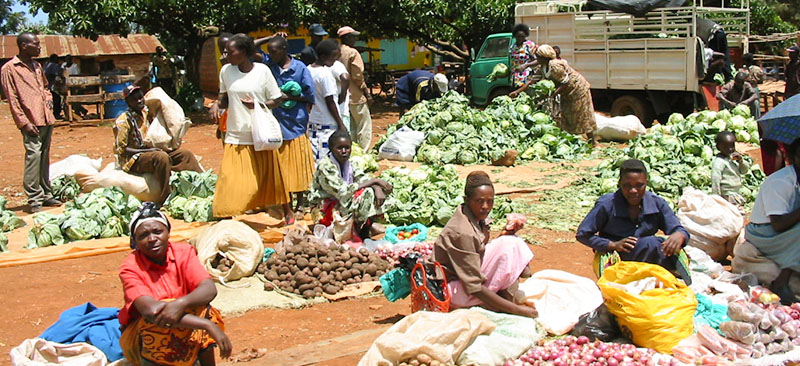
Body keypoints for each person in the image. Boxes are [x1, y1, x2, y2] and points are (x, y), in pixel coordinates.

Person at [118, 202, 232, 366]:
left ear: (168, 232)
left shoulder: (183, 252)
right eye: (143, 235)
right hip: (145, 333)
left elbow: (208, 289)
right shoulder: (130, 266)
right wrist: (207, 325)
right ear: (135, 241)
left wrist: (181, 303)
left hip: (182, 321)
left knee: (205, 310)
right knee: (161, 320)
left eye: (158, 232)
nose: (152, 239)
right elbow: (151, 311)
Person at [432, 171, 537, 317]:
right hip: (452, 291)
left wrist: (506, 233)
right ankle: (502, 303)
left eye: (490, 201)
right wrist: (517, 310)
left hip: (464, 280)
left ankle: (503, 298)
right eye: (480, 201)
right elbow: (474, 287)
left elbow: (478, 251)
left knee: (511, 241)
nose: (485, 207)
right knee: (508, 247)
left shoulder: (472, 216)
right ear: (467, 200)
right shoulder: (462, 232)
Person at [212, 34, 290, 218]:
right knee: (229, 178)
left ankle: (287, 210)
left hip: (259, 133)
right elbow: (224, 99)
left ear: (244, 52)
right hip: (235, 133)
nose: (226, 55)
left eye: (230, 52)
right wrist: (216, 105)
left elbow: (277, 99)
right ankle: (227, 215)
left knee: (272, 177)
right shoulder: (226, 71)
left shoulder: (262, 71)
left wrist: (258, 104)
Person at [576, 159, 691, 282]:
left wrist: (679, 235)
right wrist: (613, 245)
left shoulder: (657, 203)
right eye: (627, 185)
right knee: (652, 243)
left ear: (646, 183)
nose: (633, 191)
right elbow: (583, 234)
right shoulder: (607, 204)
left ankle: (667, 278)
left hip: (648, 256)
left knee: (667, 247)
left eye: (639, 185)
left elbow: (678, 229)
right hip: (617, 257)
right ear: (620, 183)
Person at [0, 32, 61, 213]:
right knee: (33, 157)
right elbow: (12, 99)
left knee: (43, 156)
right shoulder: (9, 69)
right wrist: (23, 122)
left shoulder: (36, 65)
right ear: (24, 46)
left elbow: (45, 87)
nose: (39, 46)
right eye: (35, 44)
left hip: (45, 117)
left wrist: (48, 100)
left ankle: (46, 194)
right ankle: (34, 198)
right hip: (30, 120)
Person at [113, 85, 203, 206]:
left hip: (152, 151)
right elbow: (122, 150)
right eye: (134, 99)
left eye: (140, 98)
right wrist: (148, 151)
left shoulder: (146, 113)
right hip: (134, 158)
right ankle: (166, 196)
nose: (139, 101)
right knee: (162, 157)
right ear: (128, 102)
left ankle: (201, 184)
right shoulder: (123, 121)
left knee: (185, 155)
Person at [264, 36, 316, 224]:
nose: (271, 54)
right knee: (282, 167)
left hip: (295, 123)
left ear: (285, 49)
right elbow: (249, 46)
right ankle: (286, 203)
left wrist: (287, 96)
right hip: (276, 125)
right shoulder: (268, 67)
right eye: (269, 51)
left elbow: (310, 95)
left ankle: (301, 203)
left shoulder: (300, 68)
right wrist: (270, 37)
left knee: (298, 165)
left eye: (275, 50)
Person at [308, 130, 392, 240]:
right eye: (339, 148)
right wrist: (374, 182)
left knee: (376, 192)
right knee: (366, 195)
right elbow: (342, 192)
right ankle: (358, 231)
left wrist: (376, 186)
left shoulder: (351, 163)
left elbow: (362, 178)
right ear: (331, 149)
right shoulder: (326, 166)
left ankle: (363, 229)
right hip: (325, 206)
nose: (344, 151)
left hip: (343, 201)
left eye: (347, 148)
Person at [745, 138, 800, 304]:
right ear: (794, 158)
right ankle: (782, 282)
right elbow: (777, 224)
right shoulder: (780, 182)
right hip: (764, 232)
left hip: (786, 227)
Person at [510, 44, 597, 145]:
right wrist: (517, 92)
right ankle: (570, 140)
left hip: (578, 89)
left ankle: (592, 141)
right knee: (567, 115)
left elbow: (565, 82)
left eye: (538, 56)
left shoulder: (555, 65)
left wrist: (552, 94)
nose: (536, 58)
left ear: (544, 57)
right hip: (567, 92)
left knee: (583, 115)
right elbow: (532, 81)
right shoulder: (542, 67)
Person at [308, 39, 347, 161]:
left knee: (315, 156)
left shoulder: (308, 70)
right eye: (333, 57)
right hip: (326, 123)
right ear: (323, 56)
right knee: (325, 159)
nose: (335, 60)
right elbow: (330, 101)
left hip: (313, 121)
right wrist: (340, 124)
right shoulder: (325, 74)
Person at [338, 26, 373, 149]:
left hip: (341, 95)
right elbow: (358, 76)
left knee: (350, 125)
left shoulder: (336, 51)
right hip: (355, 95)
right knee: (364, 125)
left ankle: (352, 150)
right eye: (353, 37)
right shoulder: (353, 52)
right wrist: (366, 93)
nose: (355, 39)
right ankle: (364, 151)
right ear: (347, 37)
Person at [711, 131, 750, 206]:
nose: (730, 149)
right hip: (727, 196)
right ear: (718, 147)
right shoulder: (718, 162)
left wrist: (741, 161)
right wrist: (717, 198)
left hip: (735, 193)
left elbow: (744, 171)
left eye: (732, 146)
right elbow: (715, 180)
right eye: (726, 147)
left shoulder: (732, 158)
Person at [209, 32, 233, 144]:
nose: (224, 51)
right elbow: (223, 95)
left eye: (227, 47)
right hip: (226, 124)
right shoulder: (223, 69)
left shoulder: (242, 67)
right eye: (221, 48)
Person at [509, 23, 537, 89]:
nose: (520, 38)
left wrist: (526, 65)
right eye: (518, 36)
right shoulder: (513, 47)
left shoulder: (529, 45)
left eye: (522, 36)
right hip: (515, 78)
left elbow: (537, 60)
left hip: (526, 78)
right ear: (515, 36)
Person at [330, 56, 351, 131]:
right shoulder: (336, 65)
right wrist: (343, 96)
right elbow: (345, 78)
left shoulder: (317, 68)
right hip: (341, 111)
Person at [742, 53, 765, 118]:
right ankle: (757, 118)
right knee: (756, 104)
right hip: (755, 88)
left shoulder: (743, 70)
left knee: (747, 104)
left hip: (746, 89)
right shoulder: (757, 69)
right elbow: (762, 80)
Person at [43, 54, 63, 119]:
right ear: (54, 59)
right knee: (57, 99)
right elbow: (57, 75)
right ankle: (56, 114)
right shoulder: (54, 65)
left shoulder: (46, 65)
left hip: (44, 86)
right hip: (50, 86)